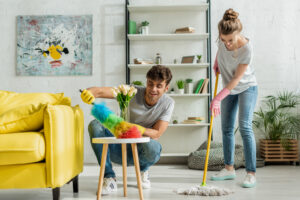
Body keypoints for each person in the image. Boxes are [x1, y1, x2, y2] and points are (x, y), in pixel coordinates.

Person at [81, 65, 174, 195]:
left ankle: (143, 170)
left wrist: (135, 128)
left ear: (166, 88)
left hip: (142, 152)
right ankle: (109, 177)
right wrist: (88, 93)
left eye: (159, 86)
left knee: (154, 147)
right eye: (150, 84)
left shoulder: (168, 103)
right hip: (119, 148)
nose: (153, 89)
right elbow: (100, 91)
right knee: (95, 124)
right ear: (146, 82)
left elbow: (157, 133)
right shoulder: (131, 91)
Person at [209, 8, 258, 188]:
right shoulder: (223, 39)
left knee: (245, 127)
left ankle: (251, 173)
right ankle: (229, 169)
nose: (227, 44)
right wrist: (216, 63)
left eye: (230, 40)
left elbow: (237, 79)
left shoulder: (247, 48)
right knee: (226, 129)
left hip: (246, 88)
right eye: (223, 40)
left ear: (238, 34)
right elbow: (220, 51)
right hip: (228, 88)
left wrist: (217, 99)